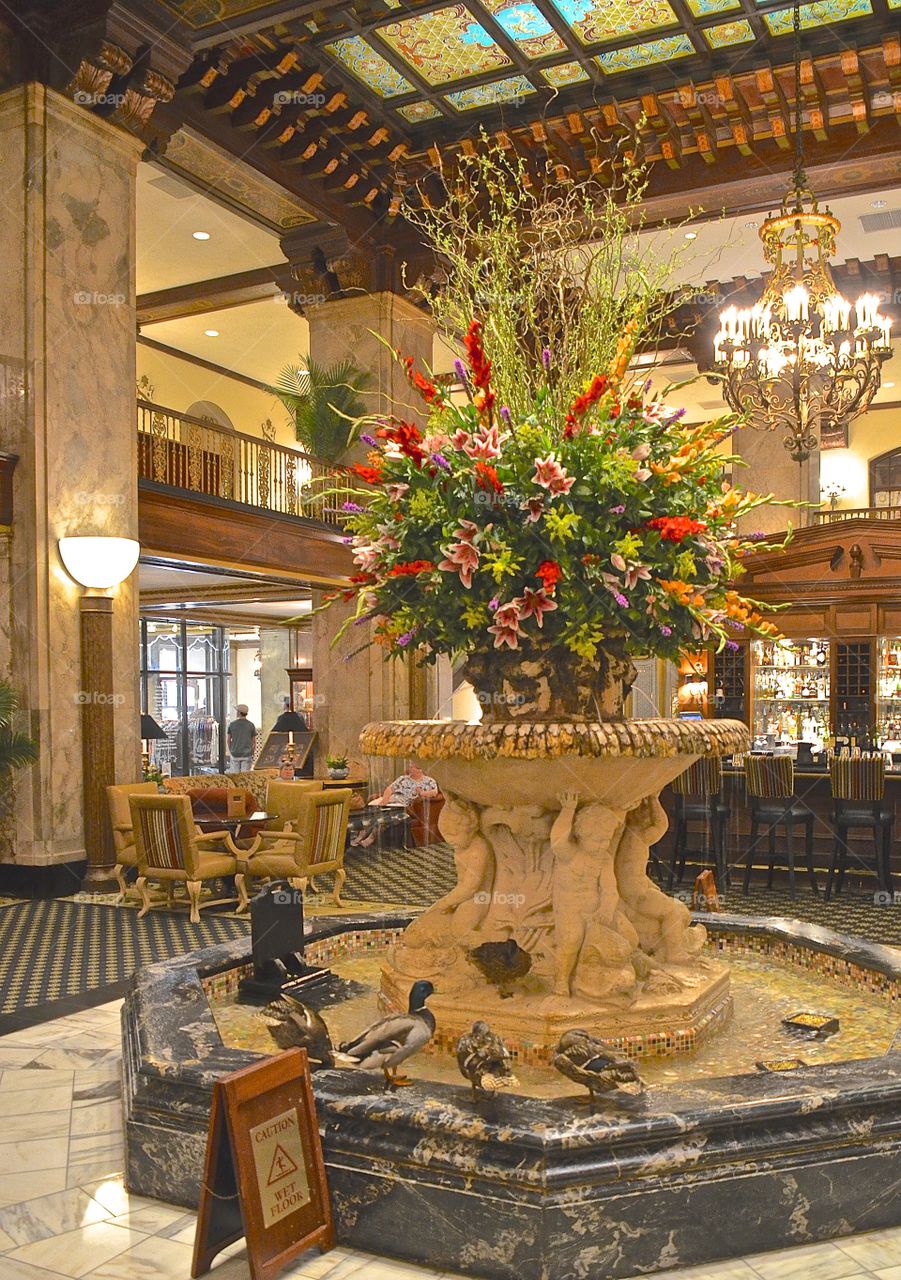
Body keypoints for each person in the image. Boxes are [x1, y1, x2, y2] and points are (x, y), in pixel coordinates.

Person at [351, 762, 438, 849]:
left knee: (387, 815)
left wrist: (422, 793)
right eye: (410, 767)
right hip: (391, 801)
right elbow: (389, 789)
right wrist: (385, 799)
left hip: (404, 805)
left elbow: (435, 792)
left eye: (412, 767)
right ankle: (362, 833)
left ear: (420, 770)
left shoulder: (429, 781)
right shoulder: (402, 779)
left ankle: (370, 837)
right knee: (371, 809)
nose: (409, 769)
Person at [227, 704, 256, 773]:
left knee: (235, 777)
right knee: (245, 777)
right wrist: (252, 752)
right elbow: (254, 742)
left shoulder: (232, 724)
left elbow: (228, 740)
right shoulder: (251, 725)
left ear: (239, 712)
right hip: (247, 754)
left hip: (235, 753)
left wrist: (231, 750)